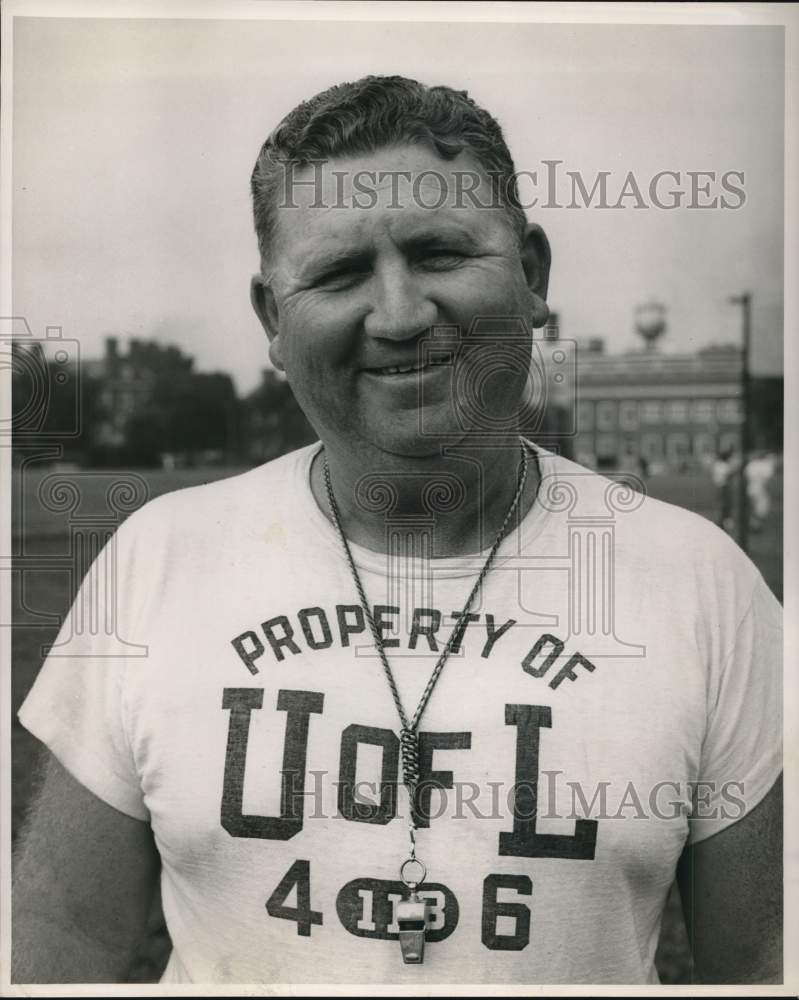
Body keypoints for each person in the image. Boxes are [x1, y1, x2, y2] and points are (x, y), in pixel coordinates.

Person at [13, 76, 782, 985]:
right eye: (338, 273)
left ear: (532, 274)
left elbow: (764, 965)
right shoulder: (159, 559)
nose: (400, 314)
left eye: (440, 253)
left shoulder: (701, 584)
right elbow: (61, 934)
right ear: (271, 319)